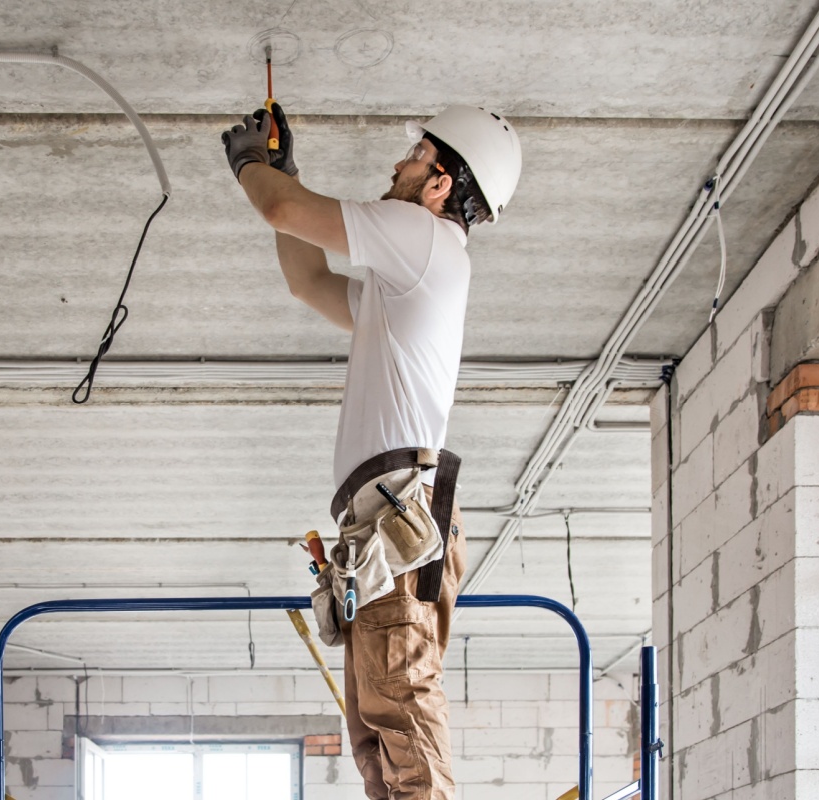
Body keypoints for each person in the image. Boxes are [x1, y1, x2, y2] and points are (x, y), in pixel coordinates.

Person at [222, 104, 522, 800]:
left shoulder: (424, 238)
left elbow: (283, 210)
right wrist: (281, 172)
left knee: (401, 723)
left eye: (414, 156)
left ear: (441, 183)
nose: (398, 165)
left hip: (396, 526)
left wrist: (255, 167)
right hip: (382, 529)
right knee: (377, 737)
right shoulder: (406, 283)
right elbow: (311, 282)